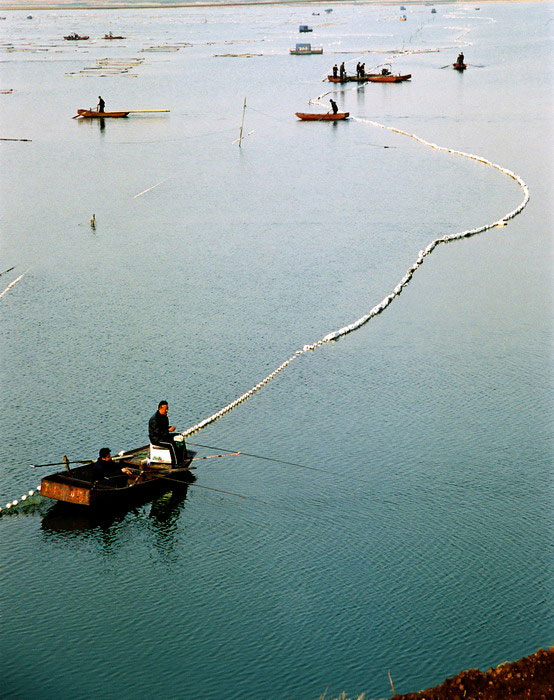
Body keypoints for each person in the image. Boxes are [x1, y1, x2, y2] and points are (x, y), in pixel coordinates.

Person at [148, 400, 187, 467]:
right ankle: (176, 463)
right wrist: (168, 430)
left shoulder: (164, 417)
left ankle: (184, 457)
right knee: (171, 444)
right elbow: (157, 432)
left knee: (180, 436)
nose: (167, 411)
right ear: (160, 408)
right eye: (165, 409)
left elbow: (164, 428)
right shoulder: (154, 419)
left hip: (164, 435)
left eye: (167, 409)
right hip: (157, 439)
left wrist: (169, 428)